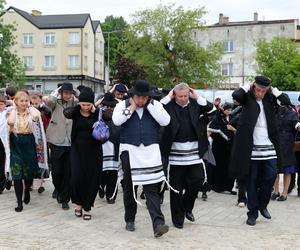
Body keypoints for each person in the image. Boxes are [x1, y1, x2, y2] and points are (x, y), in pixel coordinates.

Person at [112, 80, 170, 238]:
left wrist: (151, 106)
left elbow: (166, 121)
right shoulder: (122, 105)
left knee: (151, 188)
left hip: (150, 151)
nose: (141, 101)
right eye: (138, 97)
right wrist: (131, 107)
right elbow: (117, 121)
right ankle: (130, 219)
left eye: (145, 98)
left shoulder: (155, 106)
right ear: (132, 95)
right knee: (130, 187)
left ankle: (158, 223)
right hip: (129, 151)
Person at [229, 76, 287, 226]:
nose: (260, 93)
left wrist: (272, 90)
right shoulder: (247, 97)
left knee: (271, 176)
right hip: (251, 146)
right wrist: (247, 86)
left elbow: (285, 101)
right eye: (258, 90)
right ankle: (252, 213)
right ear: (254, 87)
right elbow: (236, 95)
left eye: (263, 90)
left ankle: (263, 205)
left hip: (268, 144)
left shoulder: (270, 98)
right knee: (252, 181)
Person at [160, 82, 215, 229]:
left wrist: (197, 96)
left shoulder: (196, 104)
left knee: (198, 180)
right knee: (175, 188)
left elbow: (213, 111)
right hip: (174, 154)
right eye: (180, 96)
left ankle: (187, 207)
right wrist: (169, 96)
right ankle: (178, 219)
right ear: (175, 95)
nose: (183, 98)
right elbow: (156, 108)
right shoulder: (169, 105)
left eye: (185, 95)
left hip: (194, 153)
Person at [63, 87, 102, 220]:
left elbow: (109, 118)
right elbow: (66, 113)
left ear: (92, 103)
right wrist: (77, 106)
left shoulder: (97, 113)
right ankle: (78, 203)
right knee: (76, 177)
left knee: (92, 179)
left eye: (88, 104)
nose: (85, 107)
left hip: (94, 151)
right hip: (77, 150)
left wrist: (95, 110)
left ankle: (87, 207)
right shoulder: (75, 112)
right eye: (83, 104)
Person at [7, 91, 41, 212]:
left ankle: (27, 190)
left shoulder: (31, 112)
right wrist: (15, 109)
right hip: (16, 143)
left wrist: (30, 106)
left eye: (26, 100)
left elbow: (37, 116)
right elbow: (10, 122)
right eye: (21, 101)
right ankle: (19, 202)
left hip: (29, 142)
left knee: (28, 172)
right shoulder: (11, 112)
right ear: (16, 101)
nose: (24, 103)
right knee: (17, 174)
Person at [45, 82, 78, 210]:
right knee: (57, 171)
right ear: (61, 92)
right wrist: (57, 90)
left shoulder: (74, 103)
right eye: (65, 93)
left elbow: (82, 101)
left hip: (70, 141)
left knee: (68, 173)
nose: (68, 95)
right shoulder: (55, 103)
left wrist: (75, 92)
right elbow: (48, 101)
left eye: (70, 93)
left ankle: (65, 199)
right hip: (56, 140)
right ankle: (58, 189)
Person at [271, 95, 300, 201]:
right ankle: (275, 191)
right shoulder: (274, 112)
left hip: (287, 144)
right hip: (275, 143)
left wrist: (298, 125)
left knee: (287, 170)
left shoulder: (292, 113)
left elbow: (296, 124)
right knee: (275, 169)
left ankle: (284, 193)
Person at [208, 103, 236, 195]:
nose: (229, 111)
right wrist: (224, 129)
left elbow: (236, 129)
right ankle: (217, 186)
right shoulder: (217, 118)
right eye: (227, 109)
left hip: (229, 147)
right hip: (219, 147)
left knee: (229, 166)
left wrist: (232, 129)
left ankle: (228, 187)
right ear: (223, 109)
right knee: (219, 166)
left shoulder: (232, 118)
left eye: (230, 110)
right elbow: (211, 130)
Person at [99, 93, 120, 204]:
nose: (110, 108)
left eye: (112, 106)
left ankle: (111, 195)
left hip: (115, 148)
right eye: (107, 106)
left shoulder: (119, 115)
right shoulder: (97, 115)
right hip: (102, 147)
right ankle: (101, 186)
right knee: (102, 171)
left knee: (113, 172)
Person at [30, 92, 52, 194]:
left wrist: (43, 106)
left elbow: (50, 114)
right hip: (30, 139)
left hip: (42, 139)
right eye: (32, 103)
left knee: (42, 160)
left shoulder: (44, 110)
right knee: (31, 160)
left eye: (36, 103)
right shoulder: (28, 111)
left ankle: (40, 183)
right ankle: (29, 183)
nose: (34, 105)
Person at [0, 95, 9, 194]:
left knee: (2, 163)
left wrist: (7, 103)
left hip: (4, 141)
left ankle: (3, 183)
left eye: (1, 104)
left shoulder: (7, 112)